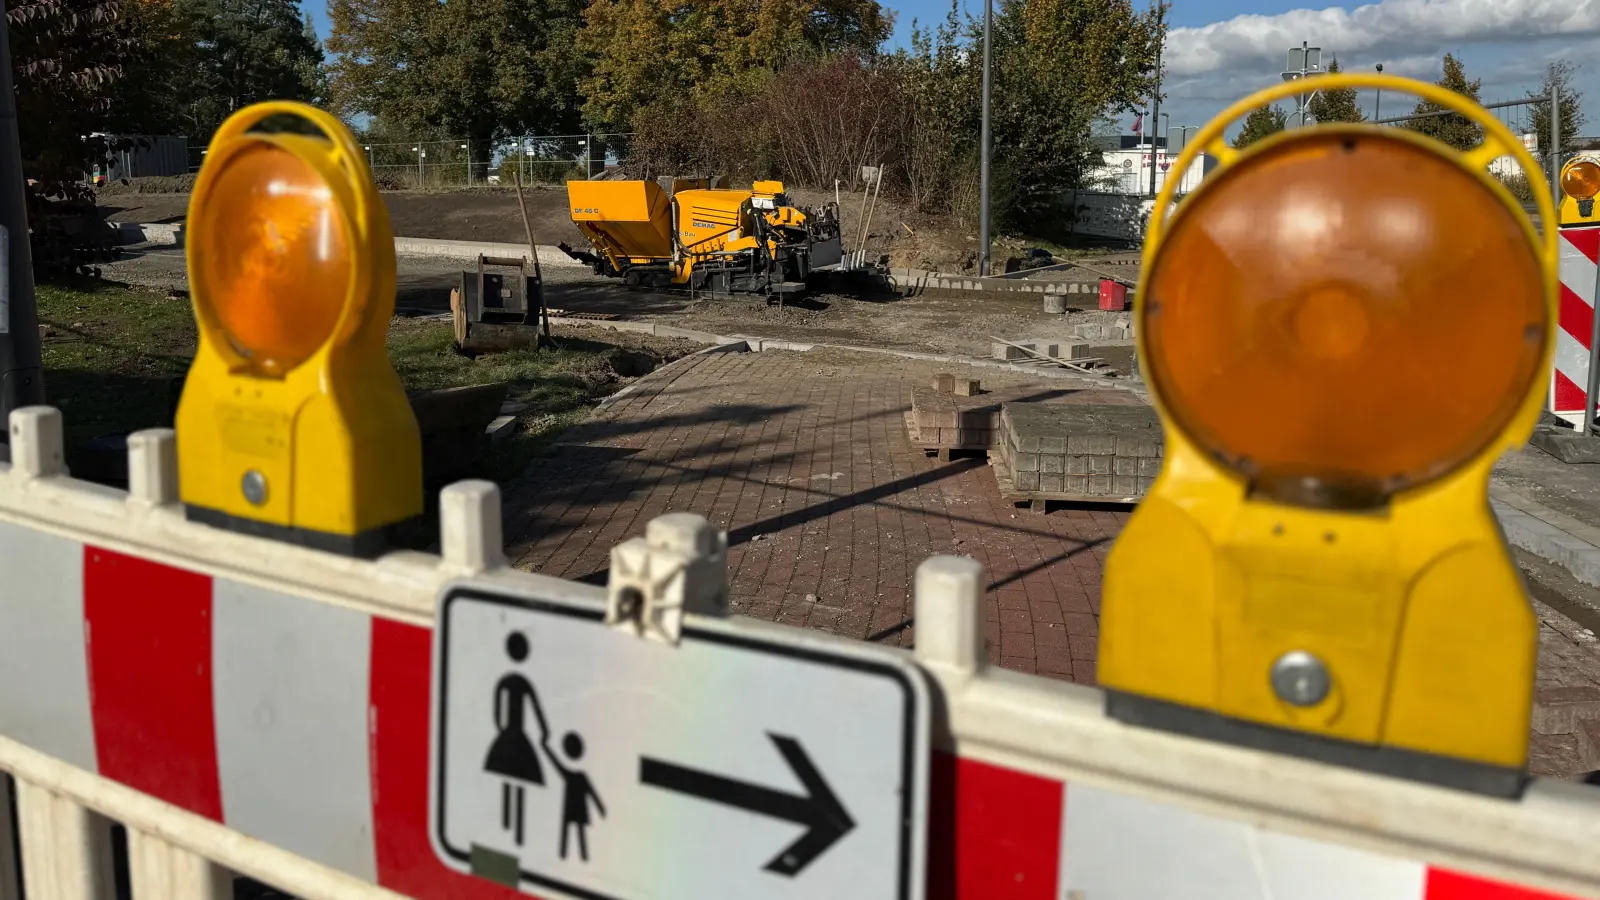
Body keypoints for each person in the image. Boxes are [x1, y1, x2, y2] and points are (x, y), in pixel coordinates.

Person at [484, 631, 551, 847]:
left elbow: (498, 710)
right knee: (514, 776)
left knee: (514, 776)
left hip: (509, 734)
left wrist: (501, 728)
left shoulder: (508, 681)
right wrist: (543, 731)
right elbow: (535, 709)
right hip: (516, 734)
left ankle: (510, 828)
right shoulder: (519, 682)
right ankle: (510, 828)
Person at [548, 732, 605, 862]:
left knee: (577, 832)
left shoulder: (578, 776)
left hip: (576, 808)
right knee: (569, 832)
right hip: (572, 807)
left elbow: (591, 792)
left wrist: (600, 807)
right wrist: (600, 807)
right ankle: (565, 856)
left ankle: (579, 857)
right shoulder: (576, 776)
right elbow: (556, 764)